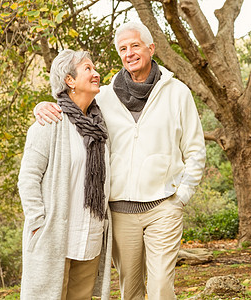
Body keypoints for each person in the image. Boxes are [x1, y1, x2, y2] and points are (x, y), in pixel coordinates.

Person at [35, 22, 206, 300]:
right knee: (130, 290)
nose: (129, 53)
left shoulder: (177, 93)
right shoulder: (103, 96)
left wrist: (182, 196)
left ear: (151, 48)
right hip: (119, 212)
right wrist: (42, 105)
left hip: (164, 206)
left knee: (161, 286)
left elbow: (195, 150)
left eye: (135, 45)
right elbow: (70, 106)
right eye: (123, 49)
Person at [18, 49, 112, 299]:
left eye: (94, 68)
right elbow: (28, 178)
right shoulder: (49, 123)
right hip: (55, 239)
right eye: (88, 69)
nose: (96, 73)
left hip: (89, 238)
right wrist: (38, 223)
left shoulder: (99, 128)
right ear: (69, 80)